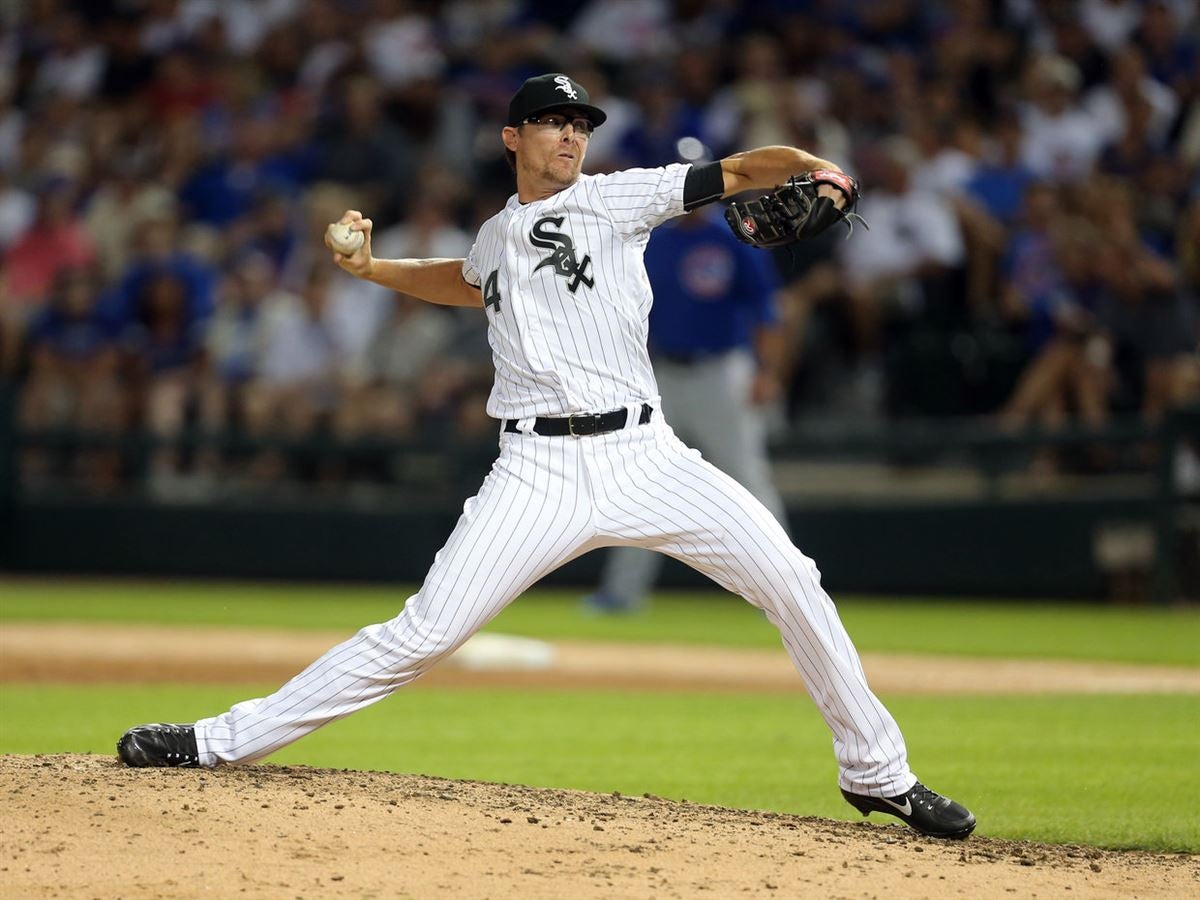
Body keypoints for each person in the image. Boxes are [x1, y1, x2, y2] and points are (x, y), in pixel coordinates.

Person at [116, 73, 976, 840]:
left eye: (580, 123)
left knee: (792, 578)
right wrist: (375, 270)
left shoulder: (618, 198)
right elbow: (462, 279)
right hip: (536, 473)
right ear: (512, 138)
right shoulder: (495, 237)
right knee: (419, 635)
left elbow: (750, 169)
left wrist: (825, 169)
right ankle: (212, 743)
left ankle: (878, 775)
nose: (570, 135)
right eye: (553, 121)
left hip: (648, 455)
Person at [584, 204, 790, 613]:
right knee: (641, 482)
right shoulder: (657, 242)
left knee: (748, 479)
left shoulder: (734, 237)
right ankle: (622, 594)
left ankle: (787, 589)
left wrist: (768, 371)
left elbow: (768, 310)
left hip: (723, 371)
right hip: (664, 375)